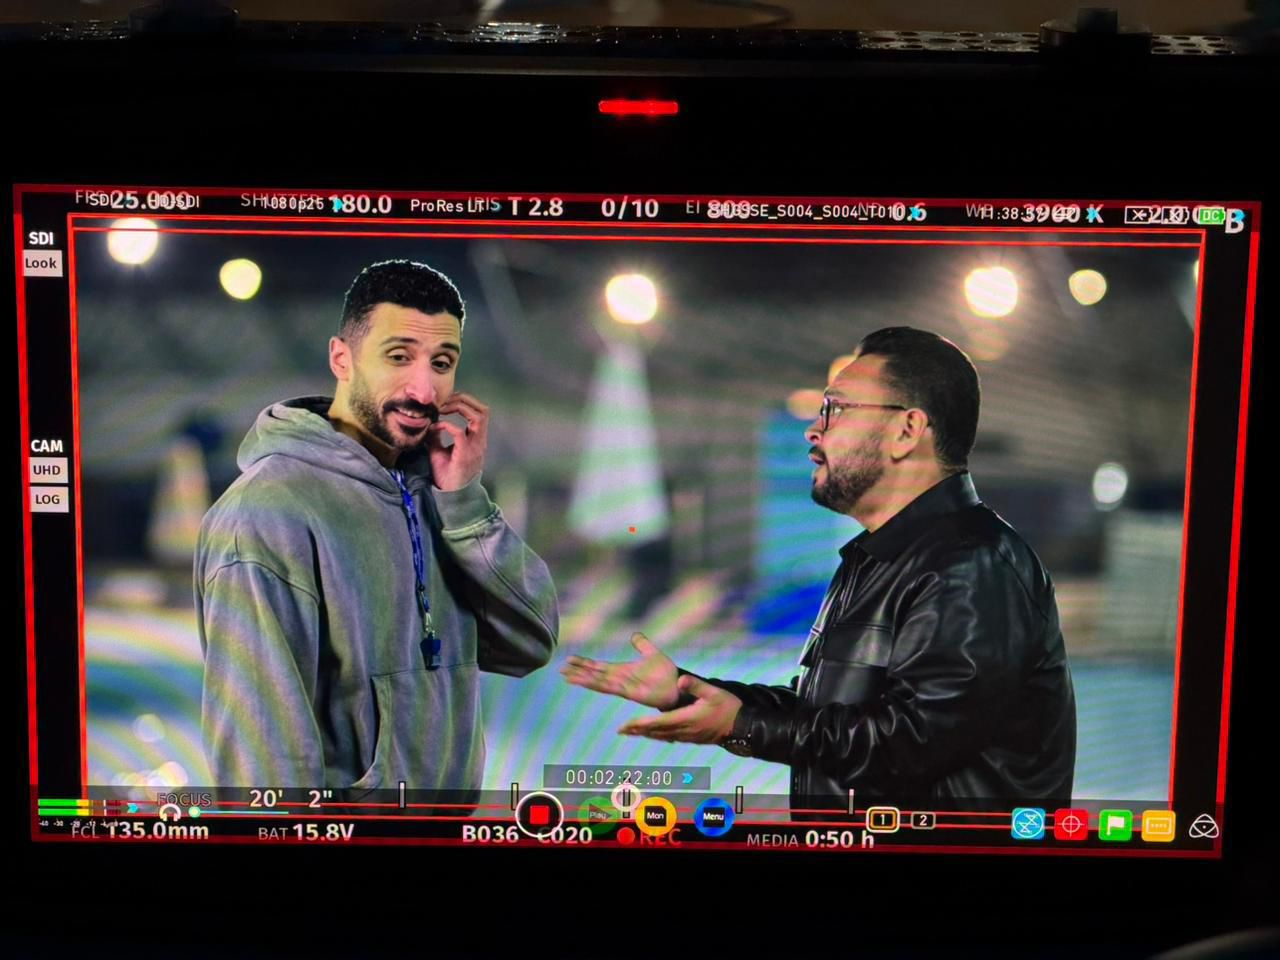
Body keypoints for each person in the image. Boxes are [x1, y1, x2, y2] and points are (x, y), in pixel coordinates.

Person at [562, 327, 1075, 811]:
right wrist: (689, 691)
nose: (813, 429)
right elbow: (831, 714)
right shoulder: (880, 559)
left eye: (835, 409)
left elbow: (911, 742)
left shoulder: (971, 563)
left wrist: (740, 725)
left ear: (907, 430)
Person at [196, 259, 559, 795]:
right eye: (399, 356)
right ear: (341, 358)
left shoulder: (436, 493)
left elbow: (529, 642)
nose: (424, 390)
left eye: (442, 362)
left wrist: (464, 503)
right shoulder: (267, 513)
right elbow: (261, 759)